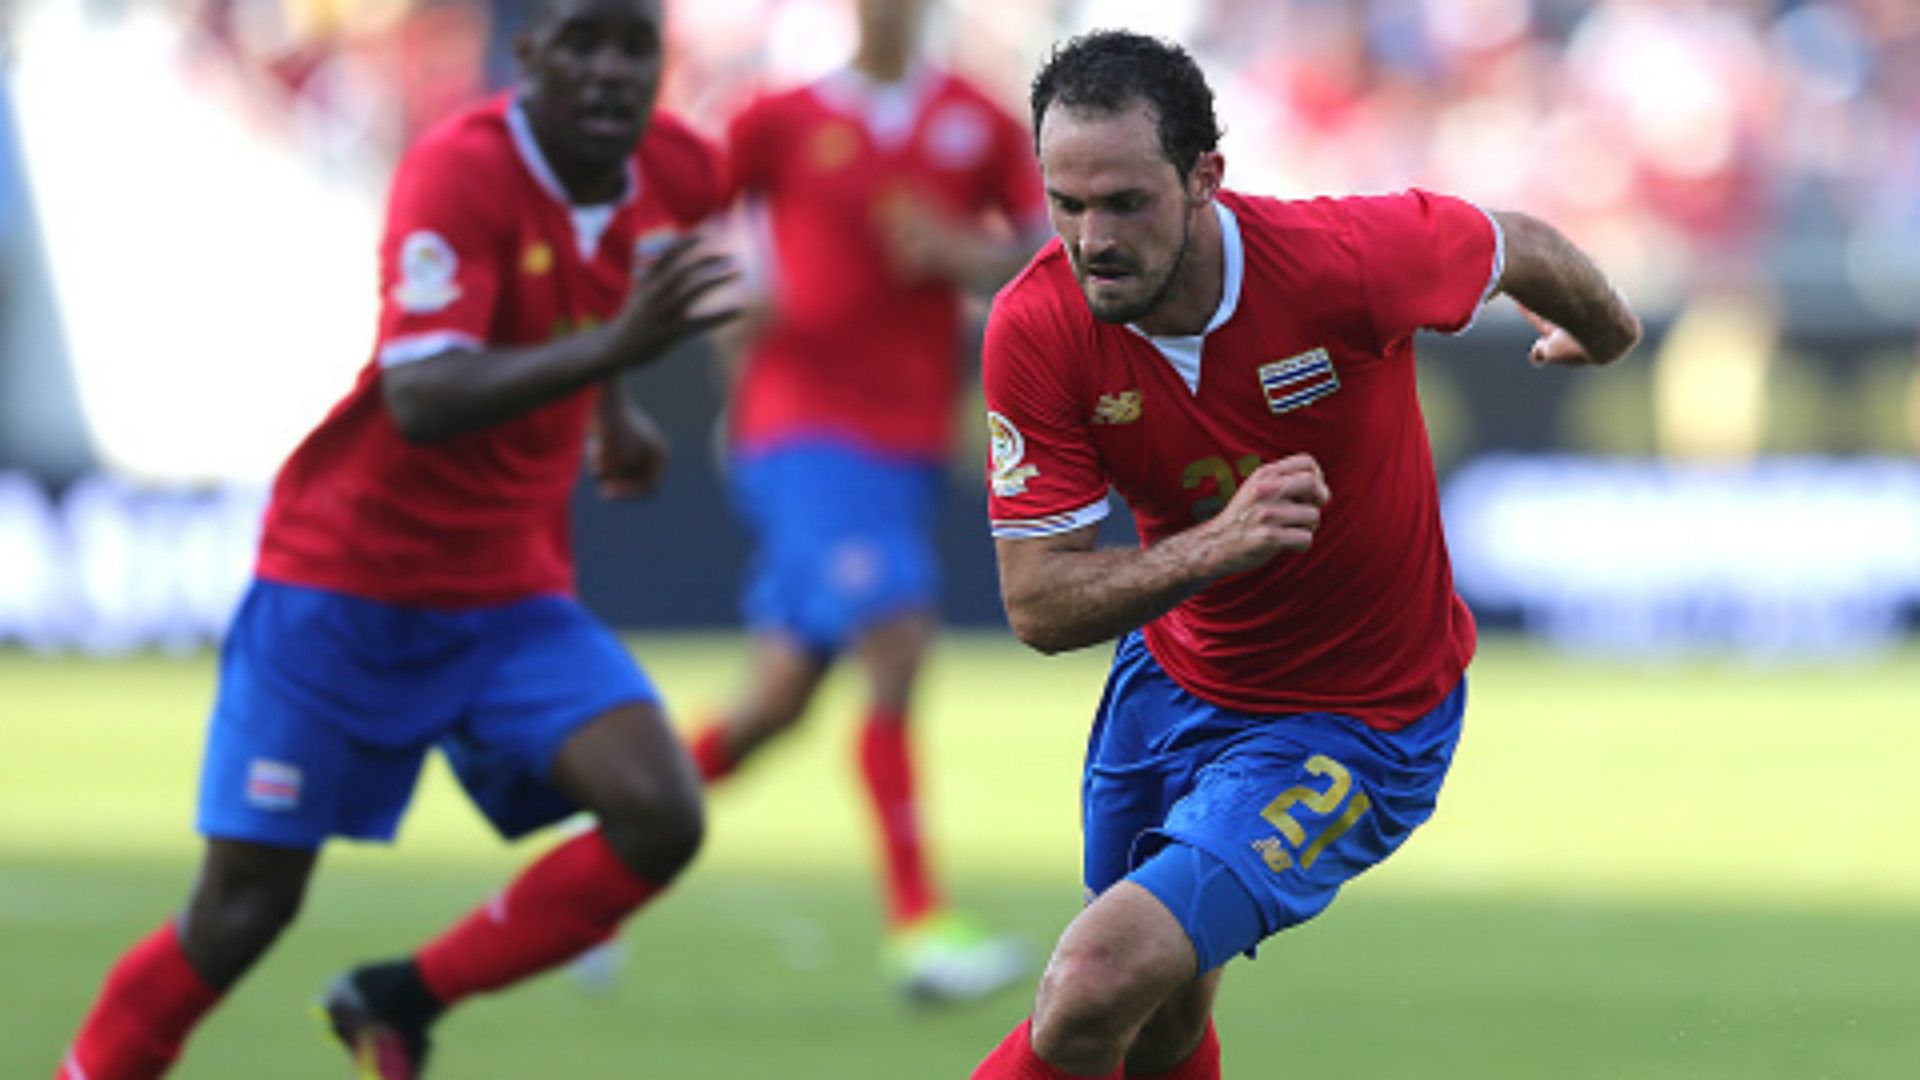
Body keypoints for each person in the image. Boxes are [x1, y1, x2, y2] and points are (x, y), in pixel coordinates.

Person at [51, 1, 738, 1077]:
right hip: (347, 584)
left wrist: (613, 407)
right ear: (529, 55)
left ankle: (398, 998)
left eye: (634, 46)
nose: (612, 72)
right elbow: (424, 393)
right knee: (244, 908)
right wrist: (617, 351)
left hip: (506, 591)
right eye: (583, 45)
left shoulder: (680, 169)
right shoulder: (457, 173)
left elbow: (603, 282)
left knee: (659, 811)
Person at [970, 30, 1641, 1080]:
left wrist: (1604, 336)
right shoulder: (1038, 326)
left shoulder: (1348, 261)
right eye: (1067, 203)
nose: (1091, 238)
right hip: (1172, 686)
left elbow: (1518, 246)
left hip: (1358, 721)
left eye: (1124, 203)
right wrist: (1218, 546)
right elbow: (1037, 604)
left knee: (1097, 979)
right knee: (1157, 1025)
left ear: (1205, 180)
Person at [675, 0, 1050, 1004]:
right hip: (800, 427)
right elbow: (685, 226)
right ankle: (921, 928)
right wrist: (732, 314)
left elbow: (1044, 247)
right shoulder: (781, 117)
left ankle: (605, 839)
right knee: (898, 633)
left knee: (780, 699)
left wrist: (959, 254)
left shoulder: (976, 118)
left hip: (905, 435)